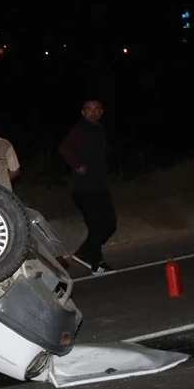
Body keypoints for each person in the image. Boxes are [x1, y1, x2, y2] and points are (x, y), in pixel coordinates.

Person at [57, 99, 117, 273]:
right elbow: (64, 148)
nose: (93, 112)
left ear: (102, 112)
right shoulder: (81, 129)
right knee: (97, 224)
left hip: (99, 184)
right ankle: (97, 263)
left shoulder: (98, 130)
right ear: (83, 112)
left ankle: (83, 252)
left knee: (110, 224)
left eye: (97, 109)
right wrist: (77, 165)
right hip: (85, 187)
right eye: (89, 109)